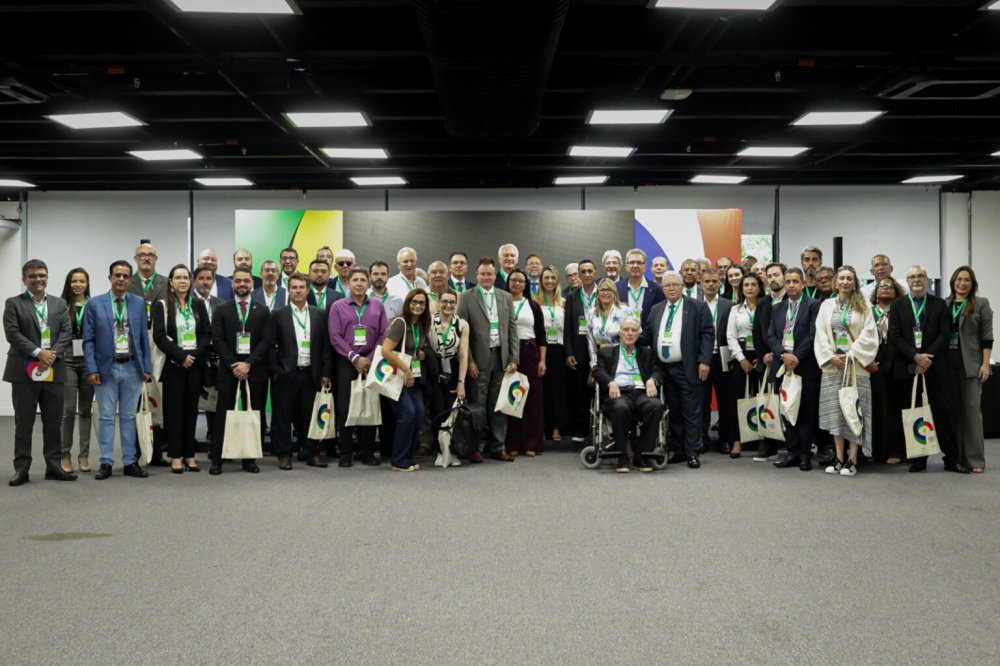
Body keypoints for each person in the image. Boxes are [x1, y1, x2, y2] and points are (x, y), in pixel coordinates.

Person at [889, 265, 967, 474]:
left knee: (943, 413)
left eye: (921, 276)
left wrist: (926, 358)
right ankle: (918, 459)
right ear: (907, 280)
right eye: (913, 276)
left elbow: (945, 334)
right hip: (909, 368)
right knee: (915, 414)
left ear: (927, 280)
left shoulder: (939, 304)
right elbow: (894, 336)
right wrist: (915, 357)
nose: (917, 279)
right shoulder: (897, 306)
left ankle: (951, 458)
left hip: (934, 367)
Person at [5, 259, 76, 486]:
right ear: (24, 279)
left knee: (53, 421)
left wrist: (51, 354)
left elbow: (66, 332)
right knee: (24, 422)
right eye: (33, 276)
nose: (38, 279)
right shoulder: (14, 303)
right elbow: (13, 334)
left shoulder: (59, 304)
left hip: (53, 369)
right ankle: (22, 468)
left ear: (47, 277)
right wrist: (39, 353)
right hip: (24, 370)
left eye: (42, 275)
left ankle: (54, 466)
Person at [84, 260, 153, 480]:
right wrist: (91, 368)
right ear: (110, 278)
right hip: (106, 368)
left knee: (128, 417)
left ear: (130, 279)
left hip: (133, 367)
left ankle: (130, 462)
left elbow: (144, 338)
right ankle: (105, 462)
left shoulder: (139, 302)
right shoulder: (95, 304)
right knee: (105, 417)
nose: (121, 279)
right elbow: (88, 340)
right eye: (117, 275)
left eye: (125, 276)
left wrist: (147, 367)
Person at [640, 271, 714, 469]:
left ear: (682, 286)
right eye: (667, 285)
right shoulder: (656, 309)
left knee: (691, 412)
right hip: (663, 369)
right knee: (674, 412)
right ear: (662, 288)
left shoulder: (697, 307)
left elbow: (708, 334)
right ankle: (679, 451)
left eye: (675, 284)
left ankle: (693, 453)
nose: (671, 288)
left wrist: (705, 361)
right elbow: (647, 335)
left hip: (688, 367)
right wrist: (624, 337)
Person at [814, 266, 878, 476]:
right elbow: (821, 334)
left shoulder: (864, 305)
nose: (845, 282)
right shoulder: (826, 305)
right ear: (835, 282)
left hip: (856, 366)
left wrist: (852, 354)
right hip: (834, 367)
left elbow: (869, 334)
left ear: (855, 282)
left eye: (849, 278)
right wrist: (831, 357)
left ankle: (853, 459)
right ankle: (839, 457)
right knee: (836, 413)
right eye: (841, 278)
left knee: (854, 411)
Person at [209, 268, 274, 475]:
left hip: (255, 372)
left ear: (252, 284)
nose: (242, 284)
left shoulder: (263, 310)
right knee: (223, 415)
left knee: (253, 415)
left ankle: (249, 459)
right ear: (232, 284)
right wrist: (234, 365)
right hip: (229, 371)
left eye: (246, 281)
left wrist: (249, 364)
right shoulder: (222, 309)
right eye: (238, 281)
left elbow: (267, 341)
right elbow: (217, 340)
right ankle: (218, 459)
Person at [456, 258, 518, 462]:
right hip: (478, 360)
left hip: (501, 358)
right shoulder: (466, 297)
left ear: (495, 275)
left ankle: (498, 447)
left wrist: (513, 358)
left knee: (499, 405)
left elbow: (512, 329)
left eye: (490, 274)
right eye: (482, 274)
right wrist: (470, 361)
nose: (486, 277)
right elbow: (461, 332)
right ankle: (475, 447)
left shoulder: (505, 296)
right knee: (478, 405)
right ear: (477, 275)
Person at [269, 273, 332, 470]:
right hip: (286, 373)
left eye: (301, 287)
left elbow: (326, 347)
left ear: (307, 290)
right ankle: (284, 454)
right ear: (289, 290)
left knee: (309, 415)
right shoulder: (278, 314)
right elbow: (269, 345)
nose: (298, 291)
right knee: (282, 416)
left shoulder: (319, 314)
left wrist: (325, 372)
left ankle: (311, 452)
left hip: (311, 373)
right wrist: (276, 370)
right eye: (294, 287)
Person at [152, 264, 211, 474]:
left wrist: (193, 356)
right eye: (178, 277)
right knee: (174, 412)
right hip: (174, 366)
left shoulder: (198, 304)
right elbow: (159, 336)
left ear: (191, 281)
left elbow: (206, 334)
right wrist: (181, 355)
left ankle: (190, 455)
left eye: (186, 277)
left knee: (192, 411)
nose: (182, 281)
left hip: (194, 366)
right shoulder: (162, 306)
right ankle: (176, 456)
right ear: (171, 282)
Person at [328, 267, 388, 467]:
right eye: (355, 280)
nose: (360, 283)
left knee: (369, 406)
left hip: (371, 362)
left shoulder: (377, 306)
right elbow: (335, 336)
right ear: (349, 283)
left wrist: (369, 358)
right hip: (346, 363)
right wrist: (354, 357)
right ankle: (346, 453)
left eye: (363, 279)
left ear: (369, 283)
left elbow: (383, 334)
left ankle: (368, 453)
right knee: (346, 409)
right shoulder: (338, 306)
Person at [765, 267, 821, 471]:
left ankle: (805, 455)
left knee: (805, 412)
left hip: (804, 366)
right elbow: (770, 335)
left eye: (795, 281)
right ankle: (792, 452)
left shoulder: (814, 305)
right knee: (787, 410)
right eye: (787, 281)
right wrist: (783, 355)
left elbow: (813, 335)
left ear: (803, 284)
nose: (790, 285)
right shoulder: (778, 307)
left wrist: (795, 356)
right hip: (783, 367)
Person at [593, 316, 665, 473]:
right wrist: (610, 382)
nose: (630, 333)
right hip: (618, 392)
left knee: (655, 405)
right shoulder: (606, 352)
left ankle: (643, 455)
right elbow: (597, 371)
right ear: (620, 333)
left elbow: (658, 371)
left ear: (638, 334)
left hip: (641, 392)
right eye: (626, 330)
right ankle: (622, 456)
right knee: (621, 407)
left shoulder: (647, 353)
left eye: (633, 330)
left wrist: (652, 380)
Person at [944, 266, 993, 474]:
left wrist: (985, 364)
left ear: (972, 284)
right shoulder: (944, 304)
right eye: (959, 279)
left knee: (972, 411)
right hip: (947, 364)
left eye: (967, 280)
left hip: (971, 364)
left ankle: (974, 459)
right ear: (953, 281)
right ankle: (956, 458)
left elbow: (987, 337)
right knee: (952, 412)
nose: (962, 283)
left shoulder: (981, 304)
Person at [381, 289, 434, 471]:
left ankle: (409, 456)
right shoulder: (400, 322)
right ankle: (398, 460)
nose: (417, 306)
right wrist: (407, 370)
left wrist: (421, 354)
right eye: (414, 302)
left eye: (421, 303)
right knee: (407, 414)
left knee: (419, 414)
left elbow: (416, 348)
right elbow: (386, 351)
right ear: (407, 303)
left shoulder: (421, 324)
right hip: (398, 376)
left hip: (414, 378)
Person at [505, 270, 547, 457]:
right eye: (513, 280)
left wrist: (542, 360)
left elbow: (541, 335)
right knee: (511, 396)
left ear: (526, 285)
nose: (516, 283)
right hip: (507, 352)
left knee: (531, 398)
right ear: (508, 282)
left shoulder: (533, 305)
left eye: (521, 281)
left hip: (529, 350)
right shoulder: (501, 302)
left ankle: (531, 443)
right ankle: (512, 443)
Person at [726, 272, 766, 458]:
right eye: (746, 285)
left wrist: (763, 355)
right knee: (739, 399)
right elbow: (731, 337)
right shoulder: (735, 310)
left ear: (759, 288)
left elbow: (771, 332)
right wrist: (741, 359)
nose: (749, 288)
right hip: (741, 355)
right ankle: (737, 440)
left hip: (762, 356)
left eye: (753, 284)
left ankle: (762, 439)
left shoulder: (767, 307)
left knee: (761, 399)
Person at [59, 267, 94, 473]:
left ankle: (84, 455)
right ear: (68, 283)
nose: (78, 284)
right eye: (74, 281)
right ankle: (65, 454)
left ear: (87, 284)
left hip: (89, 362)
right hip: (68, 361)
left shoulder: (94, 305)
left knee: (86, 411)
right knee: (68, 410)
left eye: (82, 281)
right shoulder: (61, 305)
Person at [869, 277, 906, 464]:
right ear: (875, 292)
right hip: (873, 363)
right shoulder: (868, 312)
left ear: (896, 291)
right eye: (881, 286)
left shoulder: (901, 310)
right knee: (877, 406)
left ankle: (897, 451)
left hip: (898, 362)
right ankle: (878, 451)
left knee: (895, 407)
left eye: (890, 286)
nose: (885, 289)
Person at [752, 262, 786, 462]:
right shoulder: (764, 302)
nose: (773, 279)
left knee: (791, 403)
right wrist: (763, 353)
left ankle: (795, 447)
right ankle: (770, 446)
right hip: (770, 361)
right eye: (770, 276)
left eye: (776, 275)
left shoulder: (793, 300)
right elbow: (757, 332)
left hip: (791, 358)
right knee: (770, 402)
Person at [699, 269, 735, 455]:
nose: (711, 284)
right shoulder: (695, 305)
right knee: (702, 401)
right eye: (707, 281)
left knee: (725, 401)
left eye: (714, 281)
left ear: (720, 283)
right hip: (702, 358)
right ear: (701, 283)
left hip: (723, 356)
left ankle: (725, 440)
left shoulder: (729, 305)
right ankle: (702, 439)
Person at [563, 259, 598, 441]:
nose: (586, 274)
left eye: (589, 271)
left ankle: (600, 431)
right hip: (579, 350)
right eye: (582, 271)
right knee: (580, 392)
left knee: (601, 391)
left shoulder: (605, 292)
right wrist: (569, 352)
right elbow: (568, 328)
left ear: (595, 272)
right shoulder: (572, 297)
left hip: (602, 349)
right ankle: (581, 430)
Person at [428, 287, 469, 440]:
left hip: (453, 366)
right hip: (434, 367)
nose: (448, 305)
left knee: (453, 409)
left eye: (452, 302)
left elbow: (464, 355)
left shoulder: (462, 324)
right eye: (444, 301)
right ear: (438, 302)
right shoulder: (429, 320)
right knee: (437, 409)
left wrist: (461, 382)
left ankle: (452, 448)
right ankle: (440, 450)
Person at [536, 265, 568, 442]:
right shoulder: (534, 301)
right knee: (541, 390)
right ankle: (541, 427)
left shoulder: (564, 302)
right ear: (541, 281)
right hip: (541, 349)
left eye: (552, 278)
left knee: (558, 390)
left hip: (559, 350)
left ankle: (556, 427)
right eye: (546, 278)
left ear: (557, 281)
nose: (549, 281)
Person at [586, 278, 633, 369]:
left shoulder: (625, 311)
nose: (606, 293)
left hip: (622, 358)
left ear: (614, 292)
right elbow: (590, 341)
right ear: (598, 293)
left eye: (609, 290)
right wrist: (594, 364)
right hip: (600, 359)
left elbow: (635, 334)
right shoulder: (592, 313)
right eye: (603, 290)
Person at [617, 248, 664, 330]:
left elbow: (659, 317)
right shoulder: (617, 288)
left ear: (645, 267)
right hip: (623, 337)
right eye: (632, 262)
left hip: (648, 339)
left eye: (639, 262)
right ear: (626, 266)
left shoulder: (657, 289)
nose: (635, 265)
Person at [128, 242, 168, 324]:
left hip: (160, 332)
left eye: (150, 255)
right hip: (134, 331)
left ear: (156, 259)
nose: (146, 258)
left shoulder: (167, 283)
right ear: (135, 259)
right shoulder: (127, 283)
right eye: (142, 255)